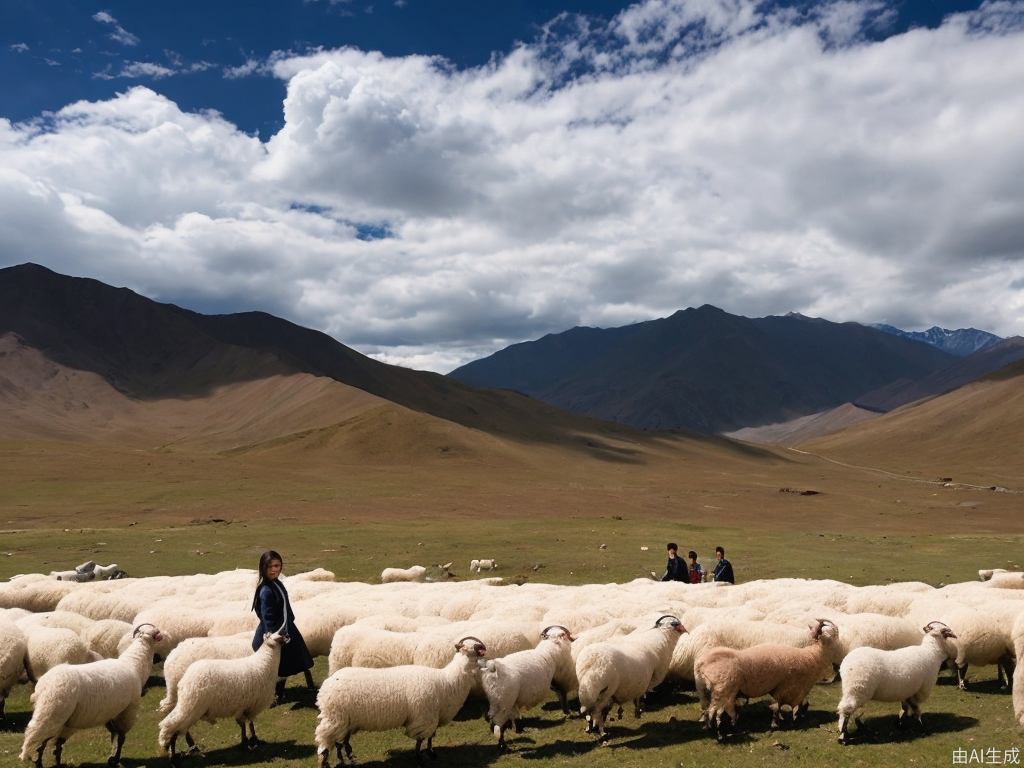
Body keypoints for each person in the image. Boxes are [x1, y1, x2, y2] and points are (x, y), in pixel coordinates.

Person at [251, 550, 314, 703]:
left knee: (288, 662)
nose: (274, 569)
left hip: (286, 628)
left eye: (277, 566)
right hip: (275, 632)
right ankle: (272, 695)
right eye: (270, 566)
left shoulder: (276, 583)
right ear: (263, 568)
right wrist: (272, 635)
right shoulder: (266, 589)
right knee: (276, 665)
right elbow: (266, 615)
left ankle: (280, 692)